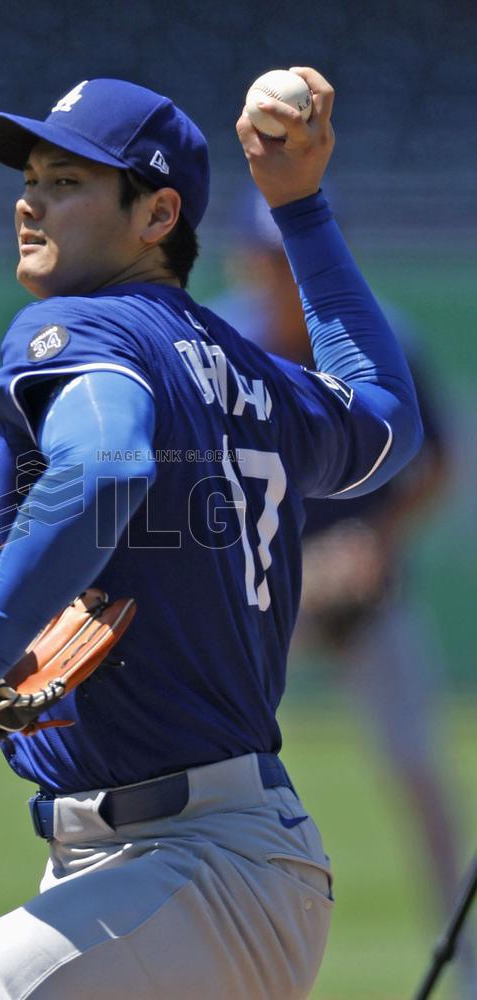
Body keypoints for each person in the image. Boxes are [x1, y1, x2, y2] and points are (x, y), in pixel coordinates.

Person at [0, 70, 423, 999]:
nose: (31, 199)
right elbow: (386, 421)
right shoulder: (252, 370)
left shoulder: (77, 326)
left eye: (68, 182)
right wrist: (302, 210)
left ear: (157, 216)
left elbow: (104, 470)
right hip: (208, 865)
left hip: (192, 865)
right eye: (31, 176)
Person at [211, 198, 476, 993]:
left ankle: (467, 970)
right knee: (210, 767)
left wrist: (375, 542)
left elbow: (436, 465)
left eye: (296, 256)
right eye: (270, 257)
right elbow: (200, 494)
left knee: (422, 775)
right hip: (262, 601)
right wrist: (289, 562)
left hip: (369, 596)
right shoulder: (222, 347)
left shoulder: (380, 336)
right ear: (244, 262)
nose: (283, 273)